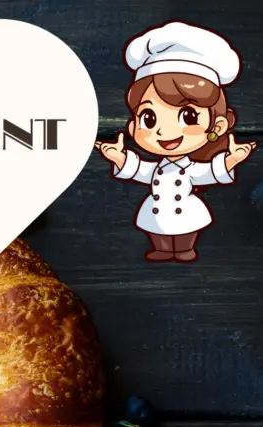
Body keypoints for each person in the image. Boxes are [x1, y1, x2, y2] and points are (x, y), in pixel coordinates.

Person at [96, 22, 256, 261]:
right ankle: (162, 248)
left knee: (185, 229)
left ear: (217, 126)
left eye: (188, 116)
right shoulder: (157, 167)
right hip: (158, 210)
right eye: (149, 118)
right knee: (156, 229)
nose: (165, 131)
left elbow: (210, 172)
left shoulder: (191, 169)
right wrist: (121, 158)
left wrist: (231, 160)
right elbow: (141, 169)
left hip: (184, 212)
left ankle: (184, 248)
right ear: (133, 126)